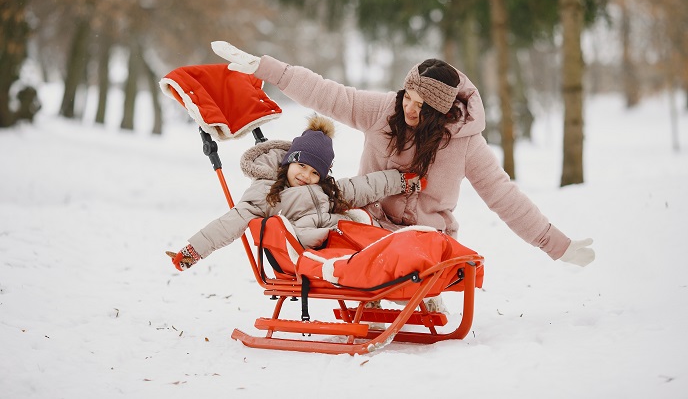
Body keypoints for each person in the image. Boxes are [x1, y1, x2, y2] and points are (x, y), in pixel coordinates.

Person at [207, 41, 595, 269]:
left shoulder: (465, 145)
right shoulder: (383, 111)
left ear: (440, 112)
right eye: (407, 96)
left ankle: (408, 287)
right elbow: (326, 93)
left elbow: (505, 198)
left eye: (420, 105)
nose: (409, 108)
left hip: (425, 237)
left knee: (415, 251)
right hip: (365, 226)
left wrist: (556, 245)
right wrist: (267, 69)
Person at [169, 114, 424, 270]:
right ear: (289, 162)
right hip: (305, 250)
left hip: (341, 238)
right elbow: (229, 223)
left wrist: (401, 181)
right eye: (301, 166)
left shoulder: (326, 189)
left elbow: (364, 186)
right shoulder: (265, 193)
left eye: (315, 172)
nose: (306, 176)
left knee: (374, 235)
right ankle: (382, 270)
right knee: (364, 252)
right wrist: (193, 251)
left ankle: (404, 265)